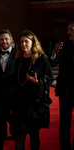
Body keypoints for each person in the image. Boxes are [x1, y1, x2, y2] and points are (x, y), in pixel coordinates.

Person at [13, 30, 54, 150]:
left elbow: (50, 78)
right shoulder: (18, 61)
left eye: (26, 41)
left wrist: (38, 82)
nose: (23, 44)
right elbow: (16, 82)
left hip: (35, 103)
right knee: (20, 135)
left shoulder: (41, 59)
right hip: (20, 103)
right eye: (21, 42)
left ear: (33, 42)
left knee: (34, 135)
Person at [49, 20, 74, 150]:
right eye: (68, 29)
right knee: (64, 122)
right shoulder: (63, 46)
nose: (68, 31)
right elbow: (52, 63)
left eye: (71, 29)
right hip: (65, 90)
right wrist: (53, 53)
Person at [0, 29, 16, 150]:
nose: (4, 41)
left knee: (15, 126)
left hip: (13, 97)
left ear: (11, 40)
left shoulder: (19, 55)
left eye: (6, 39)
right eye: (1, 39)